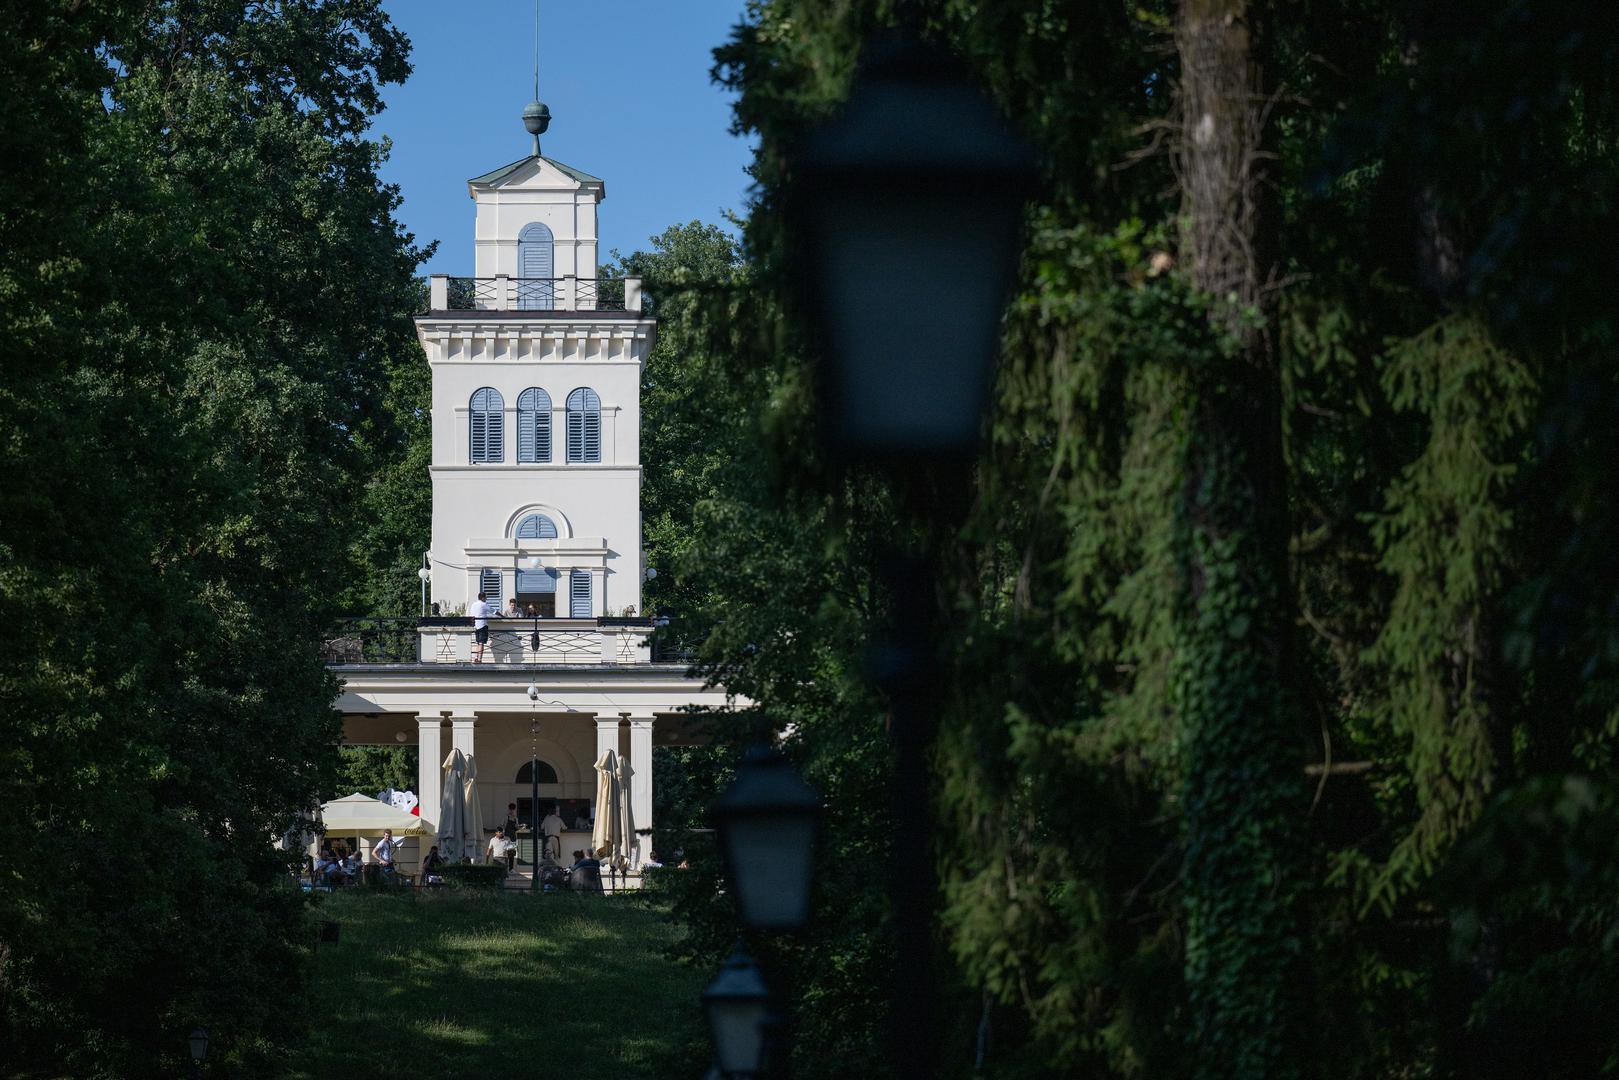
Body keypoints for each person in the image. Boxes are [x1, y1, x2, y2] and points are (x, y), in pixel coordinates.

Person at [470, 590, 494, 663]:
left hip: (476, 626)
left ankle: (475, 657)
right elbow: (494, 611)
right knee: (481, 643)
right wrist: (503, 616)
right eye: (486, 598)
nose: (486, 599)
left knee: (478, 642)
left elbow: (471, 615)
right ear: (483, 598)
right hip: (482, 625)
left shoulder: (473, 604)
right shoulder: (484, 604)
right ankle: (479, 659)